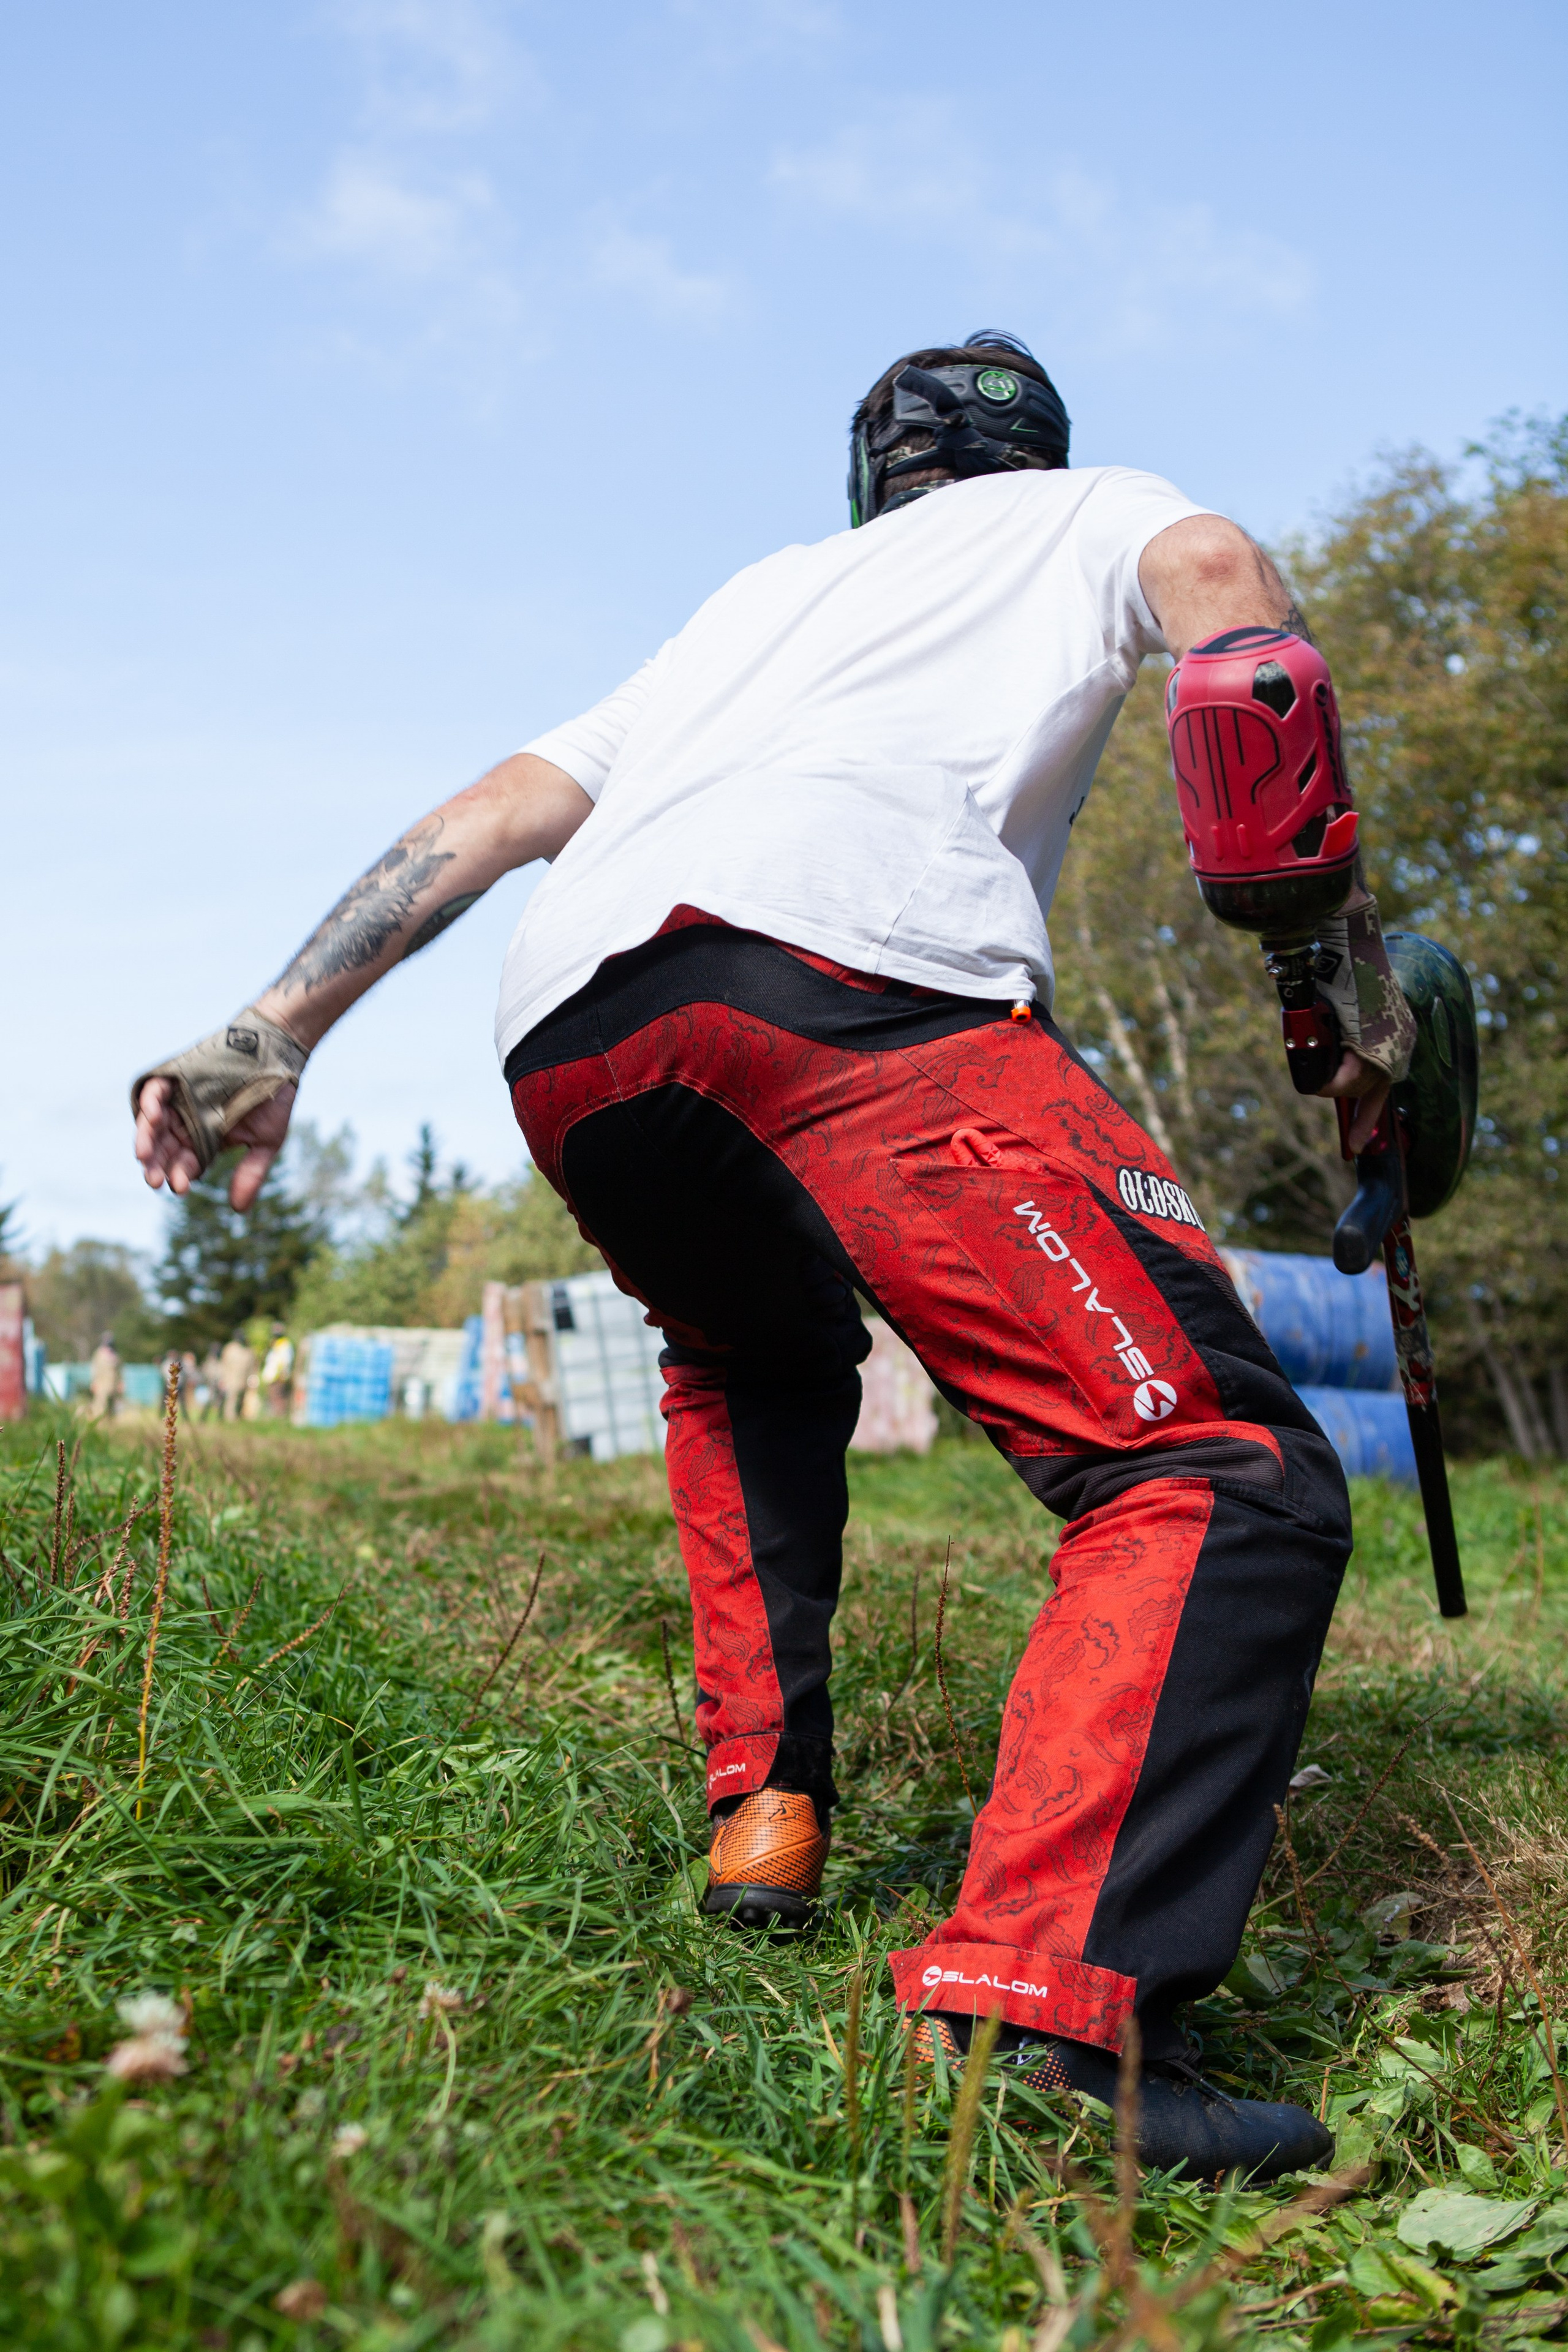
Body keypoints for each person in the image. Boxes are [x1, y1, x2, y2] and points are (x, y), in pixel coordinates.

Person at [130, 331, 1415, 2181]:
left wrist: (273, 1025)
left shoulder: (762, 599)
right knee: (1207, 1470)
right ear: (1037, 453)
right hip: (851, 976)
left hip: (576, 1028)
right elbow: (1230, 612)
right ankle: (1042, 2016)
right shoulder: (1093, 513)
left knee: (754, 1354)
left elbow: (490, 816)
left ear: (863, 478)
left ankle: (767, 1817)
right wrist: (1331, 975)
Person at [217, 1330, 255, 1424]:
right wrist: (223, 1379)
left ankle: (239, 1419)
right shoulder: (230, 1349)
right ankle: (231, 1421)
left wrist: (251, 1380)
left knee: (242, 1401)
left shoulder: (248, 1350)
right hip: (231, 1380)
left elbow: (252, 1367)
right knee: (232, 1400)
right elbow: (224, 1365)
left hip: (244, 1381)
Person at [88, 1332, 121, 1421]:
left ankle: (110, 1424)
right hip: (101, 1384)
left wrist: (120, 1383)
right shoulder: (98, 1354)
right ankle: (98, 1424)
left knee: (112, 1406)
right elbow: (94, 1369)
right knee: (100, 1405)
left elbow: (119, 1371)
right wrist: (94, 1383)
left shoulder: (116, 1355)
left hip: (113, 1385)